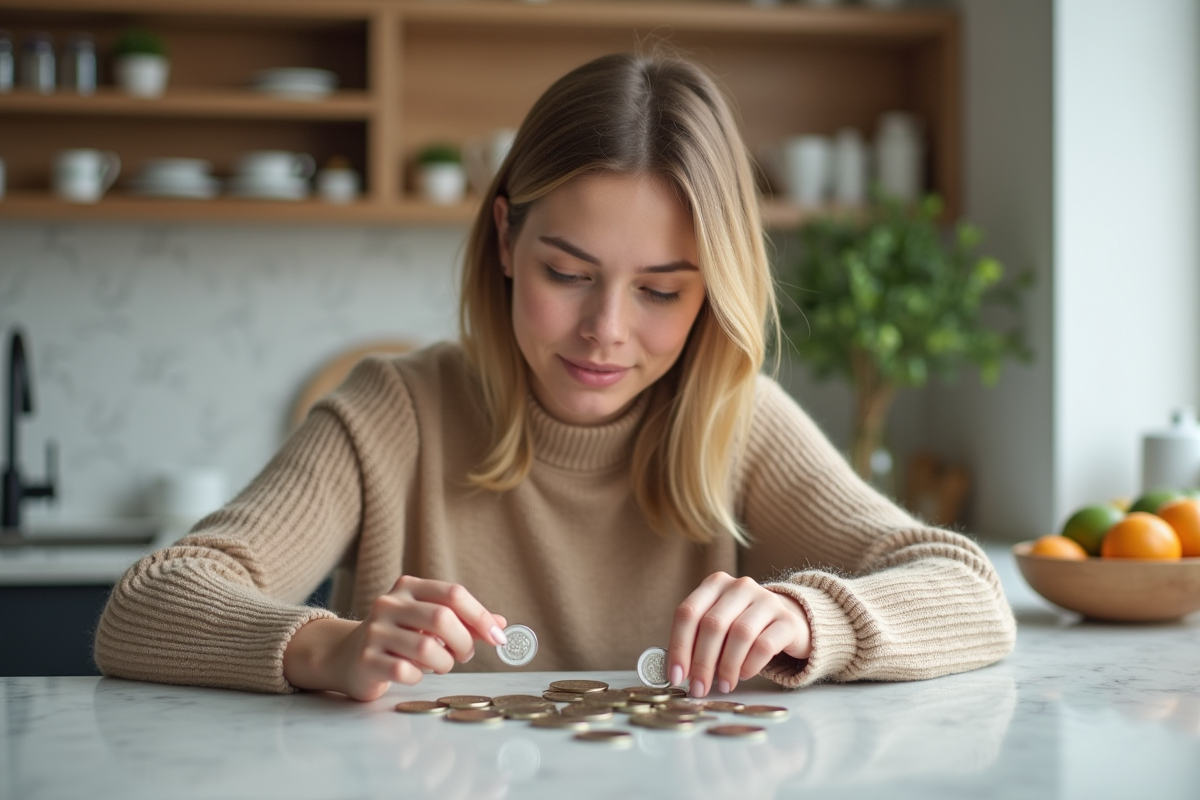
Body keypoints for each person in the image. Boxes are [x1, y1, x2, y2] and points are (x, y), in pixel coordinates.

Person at [95, 52, 1015, 701]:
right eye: (567, 275)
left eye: (660, 291)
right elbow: (143, 608)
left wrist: (809, 618)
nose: (605, 333)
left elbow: (971, 594)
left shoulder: (740, 422)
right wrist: (325, 648)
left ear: (714, 294)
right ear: (505, 239)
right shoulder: (393, 413)